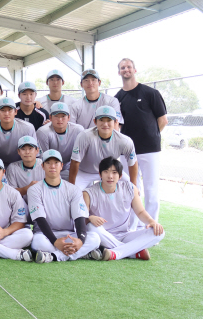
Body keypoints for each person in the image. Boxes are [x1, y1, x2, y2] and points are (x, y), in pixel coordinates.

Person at [115, 58, 168, 223]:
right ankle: (132, 226)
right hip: (127, 152)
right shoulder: (117, 98)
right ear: (119, 72)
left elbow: (163, 120)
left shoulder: (150, 93)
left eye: (129, 67)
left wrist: (151, 135)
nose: (126, 69)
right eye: (122, 67)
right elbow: (117, 126)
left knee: (151, 189)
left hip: (150, 150)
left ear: (134, 70)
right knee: (131, 188)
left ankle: (152, 226)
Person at [83, 157, 165, 261]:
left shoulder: (130, 188)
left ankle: (116, 253)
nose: (110, 176)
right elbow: (81, 218)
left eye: (114, 172)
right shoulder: (88, 193)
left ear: (120, 176)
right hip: (102, 235)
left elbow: (140, 212)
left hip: (125, 235)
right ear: (100, 174)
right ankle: (132, 253)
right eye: (106, 172)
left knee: (159, 232)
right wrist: (90, 218)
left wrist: (151, 221)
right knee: (91, 227)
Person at [28, 150, 100, 263]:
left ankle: (54, 256)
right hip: (45, 235)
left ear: (61, 166)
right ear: (42, 166)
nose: (52, 166)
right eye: (48, 163)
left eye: (56, 163)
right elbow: (40, 219)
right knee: (38, 242)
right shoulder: (34, 189)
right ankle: (80, 253)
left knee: (95, 238)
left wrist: (80, 241)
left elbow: (80, 217)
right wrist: (55, 241)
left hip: (69, 234)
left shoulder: (73, 189)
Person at [69, 106, 138, 191]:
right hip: (85, 172)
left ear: (115, 122)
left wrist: (134, 185)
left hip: (110, 172)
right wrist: (71, 186)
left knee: (130, 188)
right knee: (74, 192)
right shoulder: (84, 136)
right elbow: (75, 162)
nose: (105, 124)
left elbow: (132, 163)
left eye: (109, 120)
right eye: (101, 120)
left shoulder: (125, 141)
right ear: (95, 121)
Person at [36, 103, 83, 181]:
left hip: (70, 167)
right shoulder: (43, 132)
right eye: (56, 116)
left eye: (63, 116)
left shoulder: (78, 130)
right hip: (50, 168)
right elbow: (43, 158)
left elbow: (80, 156)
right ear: (50, 117)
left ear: (69, 117)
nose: (60, 120)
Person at [0, 97, 37, 165]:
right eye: (3, 110)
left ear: (15, 112)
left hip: (22, 165)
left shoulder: (28, 128)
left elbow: (34, 153)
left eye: (10, 110)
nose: (6, 113)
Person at [5, 136, 44, 202]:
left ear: (37, 150)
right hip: (20, 204)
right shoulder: (12, 167)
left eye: (30, 148)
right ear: (18, 151)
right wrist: (28, 188)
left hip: (42, 202)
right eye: (23, 149)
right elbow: (10, 193)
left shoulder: (44, 165)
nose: (27, 152)